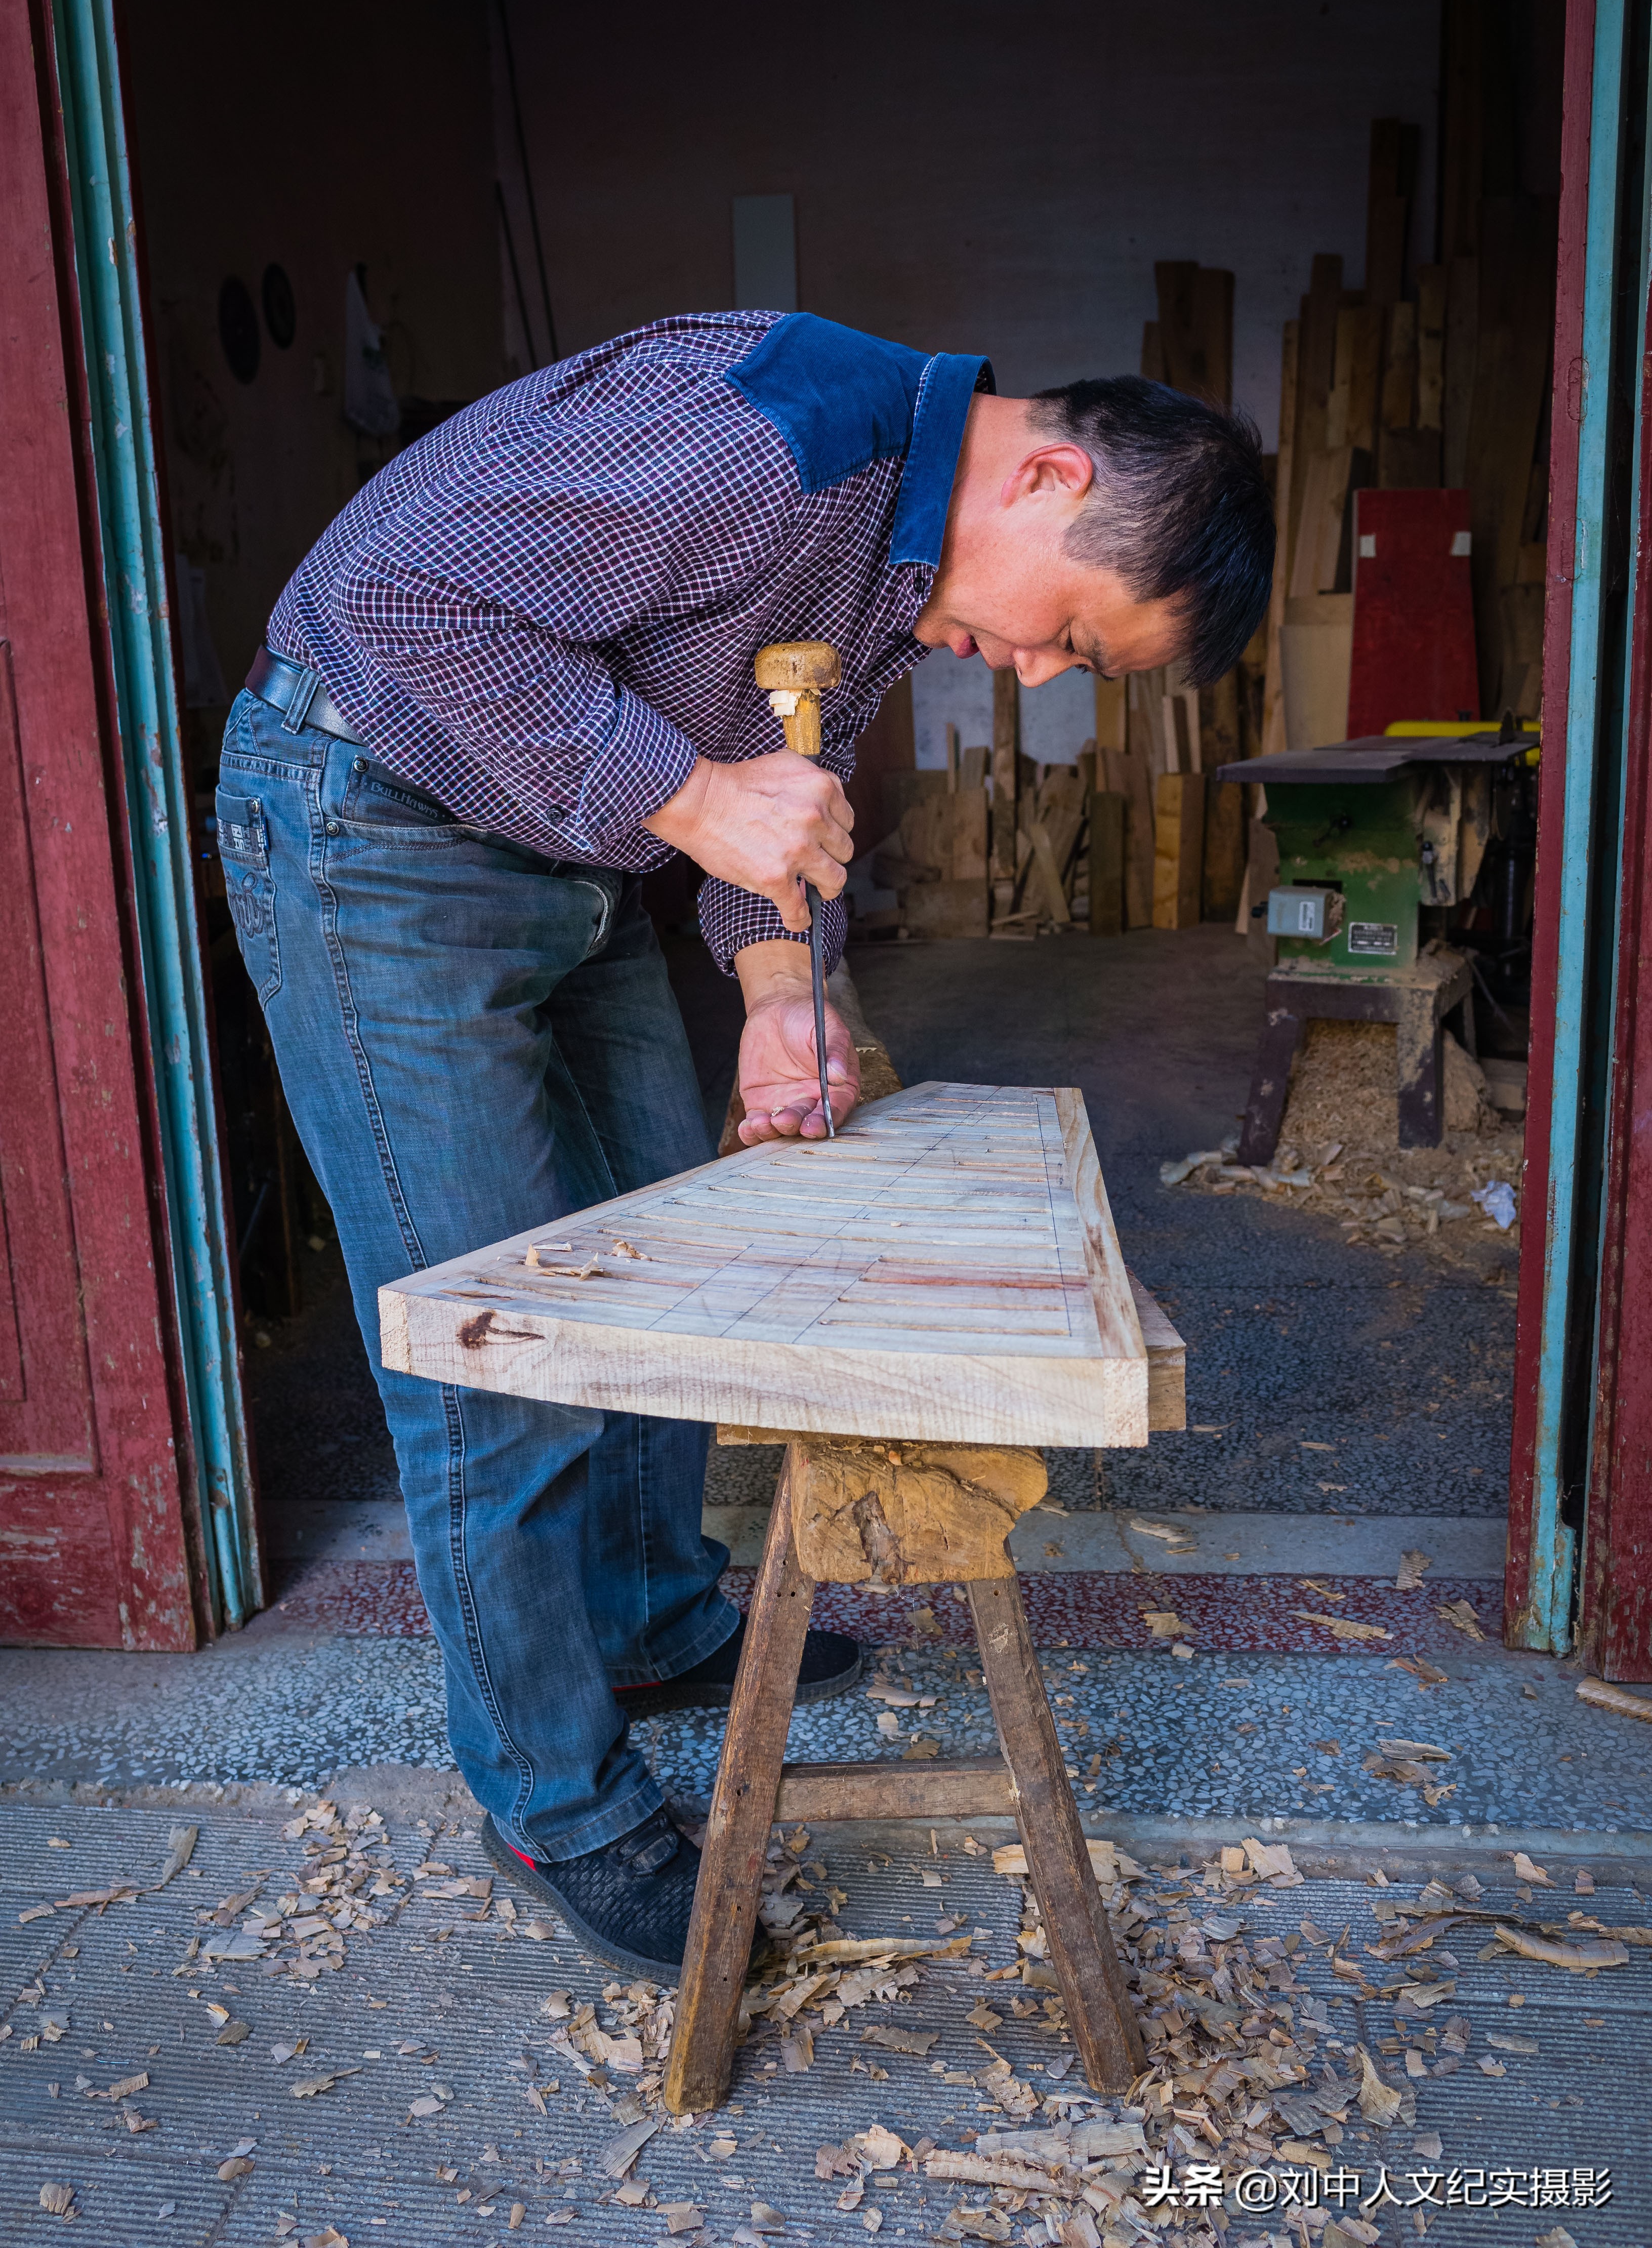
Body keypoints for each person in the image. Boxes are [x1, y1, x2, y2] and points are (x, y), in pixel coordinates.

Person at [217, 309, 1272, 1978]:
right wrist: (700, 806)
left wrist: (784, 991)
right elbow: (395, 609)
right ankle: (551, 1797)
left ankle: (646, 1617)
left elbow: (777, 773)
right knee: (501, 1339)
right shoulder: (763, 442)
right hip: (376, 820)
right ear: (1053, 476)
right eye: (1074, 631)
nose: (1045, 671)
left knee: (669, 1234)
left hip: (562, 842)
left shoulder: (894, 561)